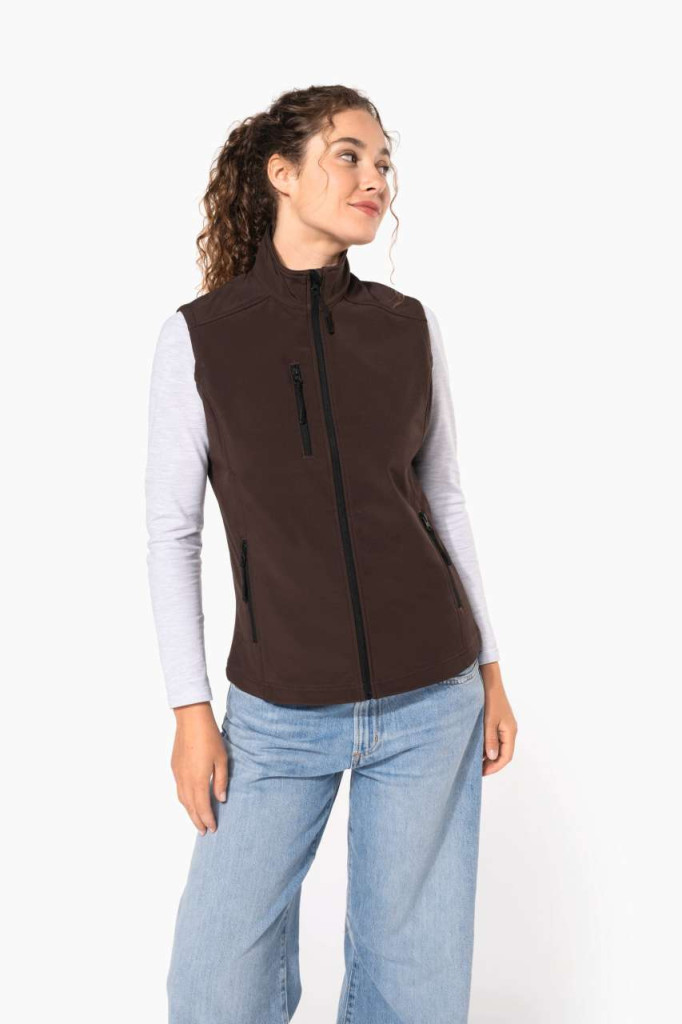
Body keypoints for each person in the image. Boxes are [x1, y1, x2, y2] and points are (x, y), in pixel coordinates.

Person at [146, 84, 518, 1024]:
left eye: (383, 162)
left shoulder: (406, 325)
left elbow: (443, 497)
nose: (373, 178)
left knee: (414, 988)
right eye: (349, 155)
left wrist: (489, 668)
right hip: (277, 712)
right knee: (216, 983)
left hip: (432, 697)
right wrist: (191, 710)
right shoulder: (202, 338)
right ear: (282, 173)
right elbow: (173, 533)